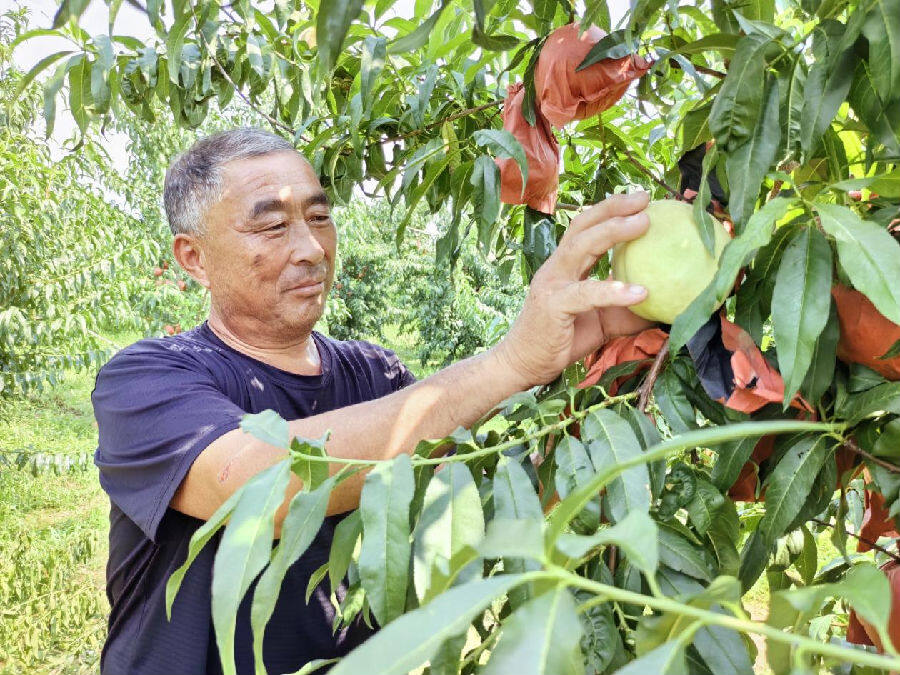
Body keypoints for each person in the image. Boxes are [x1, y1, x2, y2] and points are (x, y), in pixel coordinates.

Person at [92, 127, 653, 675]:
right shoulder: (146, 379)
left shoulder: (377, 374)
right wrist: (511, 364)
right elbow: (252, 486)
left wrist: (600, 408)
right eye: (271, 226)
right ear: (194, 258)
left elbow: (466, 508)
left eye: (319, 217)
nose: (312, 249)